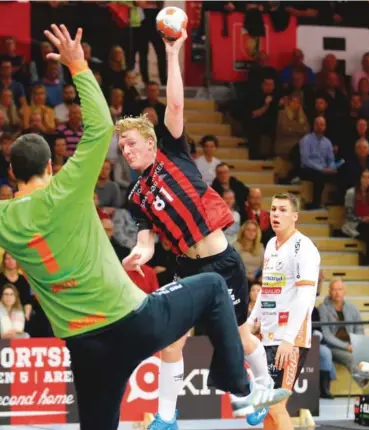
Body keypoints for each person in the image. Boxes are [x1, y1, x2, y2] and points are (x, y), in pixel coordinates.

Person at [0, 25, 291, 430]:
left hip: (86, 349)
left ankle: (223, 392)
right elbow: (98, 128)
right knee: (212, 286)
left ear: (12, 176)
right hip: (135, 323)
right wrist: (76, 63)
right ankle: (235, 385)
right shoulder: (68, 187)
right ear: (51, 165)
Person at [116, 29, 273, 428]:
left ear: (151, 142)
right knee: (172, 340)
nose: (127, 151)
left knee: (239, 337)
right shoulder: (135, 195)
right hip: (187, 270)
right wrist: (140, 254)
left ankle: (264, 390)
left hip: (222, 263)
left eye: (132, 143)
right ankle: (167, 417)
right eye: (122, 149)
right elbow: (147, 239)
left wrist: (173, 52)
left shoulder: (173, 151)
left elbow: (175, 101)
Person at [247, 193, 321, 430]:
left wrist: (288, 339)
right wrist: (251, 322)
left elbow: (306, 296)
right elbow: (266, 291)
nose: (275, 214)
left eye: (282, 210)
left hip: (291, 340)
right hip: (267, 336)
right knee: (268, 412)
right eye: (273, 209)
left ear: (295, 216)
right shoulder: (270, 245)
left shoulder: (303, 247)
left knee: (277, 407)